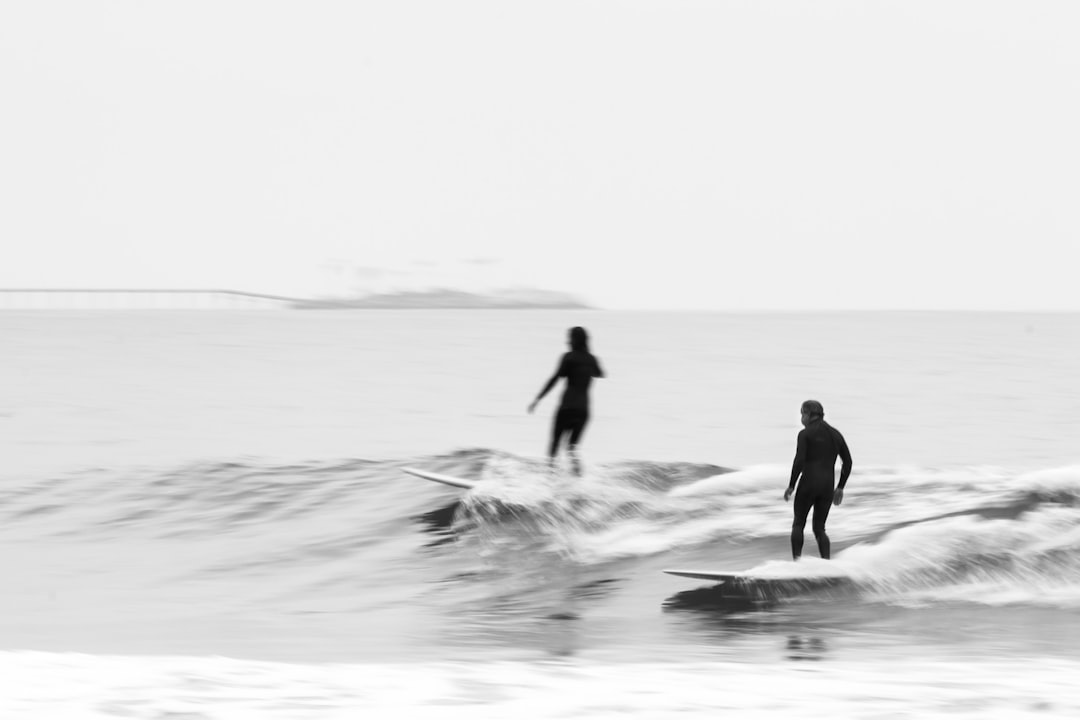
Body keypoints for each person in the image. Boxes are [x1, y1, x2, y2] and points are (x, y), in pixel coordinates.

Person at [527, 326, 604, 475]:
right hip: (583, 411)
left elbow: (555, 379)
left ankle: (549, 478)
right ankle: (578, 479)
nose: (567, 341)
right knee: (572, 448)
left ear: (576, 340)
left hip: (567, 408)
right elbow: (600, 373)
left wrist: (538, 399)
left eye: (570, 338)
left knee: (555, 445)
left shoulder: (568, 357)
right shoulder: (591, 359)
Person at [783, 400, 852, 560]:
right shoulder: (836, 435)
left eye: (802, 414)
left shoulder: (805, 434)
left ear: (808, 414)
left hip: (808, 484)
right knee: (819, 528)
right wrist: (840, 487)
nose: (801, 418)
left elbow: (799, 460)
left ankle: (797, 564)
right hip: (827, 487)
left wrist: (791, 485)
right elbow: (848, 462)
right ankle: (827, 566)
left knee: (798, 524)